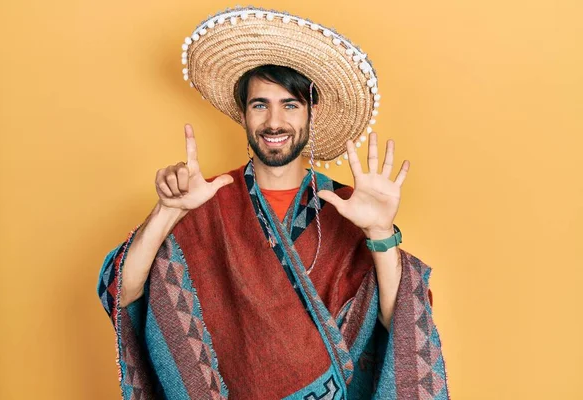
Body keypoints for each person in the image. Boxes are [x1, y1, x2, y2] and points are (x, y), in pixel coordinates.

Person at [97, 7, 449, 400]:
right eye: (260, 105)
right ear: (244, 115)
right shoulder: (206, 203)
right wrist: (168, 211)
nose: (274, 121)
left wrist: (381, 233)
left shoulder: (349, 207)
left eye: (290, 104)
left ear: (311, 114)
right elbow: (123, 293)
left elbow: (398, 321)